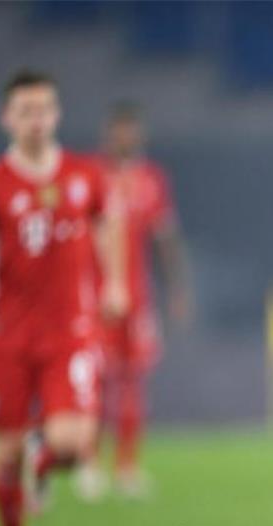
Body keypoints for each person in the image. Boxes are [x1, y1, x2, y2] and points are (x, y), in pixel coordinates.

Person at [0, 70, 127, 526]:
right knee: (2, 454)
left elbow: (107, 222)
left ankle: (42, 461)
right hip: (7, 338)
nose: (35, 120)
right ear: (7, 118)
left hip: (70, 331)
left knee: (73, 443)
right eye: (24, 111)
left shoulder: (83, 174)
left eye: (43, 109)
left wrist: (114, 282)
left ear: (57, 114)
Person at [78, 101, 192, 501]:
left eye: (131, 131)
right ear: (109, 135)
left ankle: (127, 467)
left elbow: (165, 240)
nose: (125, 138)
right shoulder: (90, 176)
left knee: (132, 381)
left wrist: (176, 288)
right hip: (94, 295)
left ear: (138, 135)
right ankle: (90, 464)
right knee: (93, 380)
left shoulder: (151, 179)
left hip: (138, 297)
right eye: (119, 131)